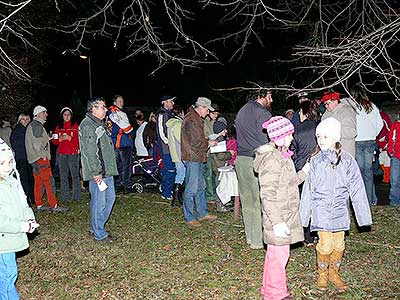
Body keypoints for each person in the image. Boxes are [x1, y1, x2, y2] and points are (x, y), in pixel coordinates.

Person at [300, 117, 372, 292]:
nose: (321, 140)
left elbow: (357, 189)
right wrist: (304, 216)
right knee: (325, 244)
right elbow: (308, 190)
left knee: (339, 244)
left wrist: (363, 216)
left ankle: (334, 273)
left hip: (340, 209)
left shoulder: (347, 161)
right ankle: (322, 274)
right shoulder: (315, 161)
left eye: (325, 136)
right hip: (321, 209)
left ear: (335, 138)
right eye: (318, 137)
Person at [254, 116, 309, 300]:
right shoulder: (272, 160)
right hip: (278, 216)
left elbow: (289, 182)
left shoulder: (281, 157)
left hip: (284, 214)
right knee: (279, 257)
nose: (292, 138)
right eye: (289, 135)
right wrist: (277, 222)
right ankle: (276, 295)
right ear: (279, 137)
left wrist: (303, 173)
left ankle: (268, 290)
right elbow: (267, 194)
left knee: (274, 256)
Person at [0, 138, 39, 300]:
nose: (7, 166)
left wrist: (29, 220)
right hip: (3, 241)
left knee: (7, 272)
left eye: (10, 161)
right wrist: (20, 226)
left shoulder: (13, 181)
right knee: (8, 274)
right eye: (2, 163)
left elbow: (24, 204)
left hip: (10, 238)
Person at [235, 87, 273, 249]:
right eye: (270, 96)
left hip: (241, 160)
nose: (271, 100)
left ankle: (250, 237)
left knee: (247, 201)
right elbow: (266, 141)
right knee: (259, 201)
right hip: (256, 160)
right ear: (261, 95)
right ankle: (258, 241)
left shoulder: (241, 111)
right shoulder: (263, 113)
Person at [79, 97, 118, 242]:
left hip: (106, 171)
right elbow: (90, 151)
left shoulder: (98, 123)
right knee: (100, 201)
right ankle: (99, 233)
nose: (106, 109)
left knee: (109, 199)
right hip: (99, 172)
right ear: (93, 109)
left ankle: (96, 226)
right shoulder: (88, 125)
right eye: (103, 106)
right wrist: (96, 172)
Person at [181, 97, 218, 228]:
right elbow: (196, 142)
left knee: (201, 187)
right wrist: (209, 142)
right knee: (191, 189)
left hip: (198, 157)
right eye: (207, 109)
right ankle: (189, 217)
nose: (208, 113)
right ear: (201, 107)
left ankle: (202, 213)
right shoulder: (191, 119)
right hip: (192, 158)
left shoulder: (196, 118)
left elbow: (197, 139)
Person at [25, 105, 68, 212]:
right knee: (49, 182)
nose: (46, 114)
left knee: (39, 182)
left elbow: (37, 141)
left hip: (34, 159)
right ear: (38, 114)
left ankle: (39, 204)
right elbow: (37, 145)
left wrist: (47, 138)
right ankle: (54, 205)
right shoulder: (37, 126)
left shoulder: (34, 125)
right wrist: (43, 155)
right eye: (44, 112)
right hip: (40, 159)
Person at [290, 100, 320, 247]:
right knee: (318, 201)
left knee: (304, 202)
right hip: (320, 170)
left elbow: (292, 151)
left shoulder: (297, 130)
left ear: (304, 113)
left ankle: (307, 236)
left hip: (302, 169)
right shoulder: (321, 128)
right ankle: (319, 233)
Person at [350, 84, 383, 205]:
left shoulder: (353, 107)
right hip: (370, 141)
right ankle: (369, 200)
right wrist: (373, 134)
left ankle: (362, 201)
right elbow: (380, 124)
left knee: (360, 171)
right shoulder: (372, 106)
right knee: (368, 172)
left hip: (358, 141)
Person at [52, 107, 81, 202]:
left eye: (69, 114)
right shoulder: (58, 127)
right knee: (63, 176)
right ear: (62, 116)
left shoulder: (75, 126)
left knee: (75, 175)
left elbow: (78, 140)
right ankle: (65, 197)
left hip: (73, 154)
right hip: (62, 154)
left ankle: (76, 197)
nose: (67, 116)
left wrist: (69, 138)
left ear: (71, 115)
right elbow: (54, 141)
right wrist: (59, 140)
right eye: (65, 114)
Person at [107, 95, 134, 194]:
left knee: (117, 166)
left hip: (114, 143)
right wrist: (130, 128)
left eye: (122, 101)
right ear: (114, 103)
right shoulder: (117, 112)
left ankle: (117, 185)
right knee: (126, 165)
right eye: (119, 101)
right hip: (122, 142)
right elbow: (128, 129)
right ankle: (126, 186)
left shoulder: (107, 113)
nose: (122, 103)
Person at [320, 91, 357, 157]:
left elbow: (352, 132)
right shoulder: (326, 114)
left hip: (344, 153)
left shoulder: (346, 111)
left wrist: (333, 130)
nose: (326, 106)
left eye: (328, 103)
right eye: (325, 104)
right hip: (330, 153)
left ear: (335, 101)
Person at [11, 113, 34, 205]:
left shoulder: (29, 130)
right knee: (24, 179)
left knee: (31, 179)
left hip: (29, 158)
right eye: (23, 119)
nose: (25, 121)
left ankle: (32, 198)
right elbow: (16, 145)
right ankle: (26, 199)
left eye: (27, 119)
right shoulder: (17, 131)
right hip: (22, 159)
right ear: (19, 121)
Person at [157, 96, 176, 201]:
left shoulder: (170, 114)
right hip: (166, 148)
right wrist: (169, 143)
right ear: (164, 102)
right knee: (168, 169)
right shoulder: (161, 114)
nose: (173, 103)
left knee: (172, 169)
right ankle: (166, 192)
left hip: (171, 148)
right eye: (171, 101)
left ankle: (171, 190)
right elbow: (161, 132)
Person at [166, 104, 185, 207]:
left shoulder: (171, 124)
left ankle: (177, 197)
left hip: (175, 153)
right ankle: (176, 198)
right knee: (181, 175)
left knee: (180, 174)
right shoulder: (177, 124)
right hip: (179, 154)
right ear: (180, 113)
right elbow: (180, 141)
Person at [203, 103, 220, 203]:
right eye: (214, 113)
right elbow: (206, 135)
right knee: (208, 174)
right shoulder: (205, 122)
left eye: (217, 114)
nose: (215, 115)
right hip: (208, 151)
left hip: (216, 150)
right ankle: (209, 195)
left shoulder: (216, 122)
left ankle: (214, 192)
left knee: (214, 173)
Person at [376, 107, 392, 183]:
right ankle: (387, 175)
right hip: (378, 141)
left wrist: (388, 142)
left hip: (385, 141)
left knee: (386, 161)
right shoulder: (374, 116)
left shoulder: (383, 116)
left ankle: (386, 178)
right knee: (381, 161)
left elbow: (389, 129)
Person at [388, 113, 400, 206]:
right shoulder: (396, 125)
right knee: (394, 179)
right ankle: (394, 201)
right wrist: (391, 150)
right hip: (396, 156)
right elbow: (391, 137)